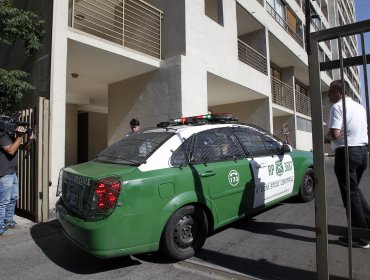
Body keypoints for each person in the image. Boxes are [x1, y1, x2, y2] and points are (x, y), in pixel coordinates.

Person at [324, 79, 370, 249]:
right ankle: (367, 228)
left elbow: (335, 133)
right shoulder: (359, 107)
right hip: (362, 152)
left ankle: (361, 238)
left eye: (331, 91)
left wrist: (325, 138)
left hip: (347, 153)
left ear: (340, 92)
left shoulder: (338, 107)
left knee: (350, 196)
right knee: (355, 192)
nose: (329, 95)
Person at [0, 125, 34, 236]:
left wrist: (29, 140)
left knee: (13, 198)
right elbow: (10, 150)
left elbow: (23, 147)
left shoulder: (10, 136)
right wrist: (19, 136)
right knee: (3, 202)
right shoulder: (2, 136)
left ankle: (8, 221)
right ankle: (0, 227)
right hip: (4, 174)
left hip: (12, 173)